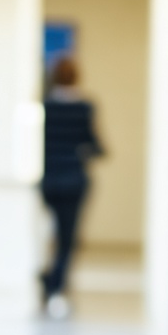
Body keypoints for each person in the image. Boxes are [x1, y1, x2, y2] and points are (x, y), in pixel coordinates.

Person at [38, 55, 104, 318]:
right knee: (67, 239)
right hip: (74, 180)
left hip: (49, 180)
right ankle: (54, 285)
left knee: (52, 233)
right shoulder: (85, 107)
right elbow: (96, 144)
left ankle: (49, 276)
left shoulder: (45, 107)